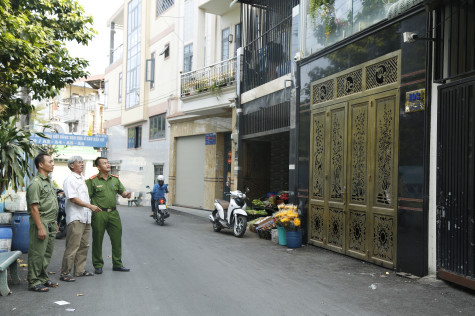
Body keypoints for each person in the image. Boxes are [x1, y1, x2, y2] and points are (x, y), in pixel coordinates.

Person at [86, 157, 132, 274]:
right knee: (97, 239)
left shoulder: (115, 180)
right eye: (104, 163)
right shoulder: (92, 181)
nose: (108, 165)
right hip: (99, 214)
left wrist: (127, 194)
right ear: (98, 167)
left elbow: (123, 192)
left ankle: (117, 263)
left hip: (113, 214)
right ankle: (98, 264)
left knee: (116, 239)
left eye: (108, 163)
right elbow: (87, 198)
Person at [60, 156, 101, 282]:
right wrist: (90, 206)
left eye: (83, 162)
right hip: (76, 217)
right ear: (72, 165)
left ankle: (79, 270)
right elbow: (73, 198)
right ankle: (65, 272)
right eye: (79, 163)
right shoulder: (70, 180)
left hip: (85, 217)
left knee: (84, 245)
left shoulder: (82, 179)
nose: (82, 164)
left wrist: (89, 209)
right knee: (73, 246)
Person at [26, 153, 58, 292]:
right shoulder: (35, 184)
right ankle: (33, 281)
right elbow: (34, 207)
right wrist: (40, 227)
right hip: (41, 222)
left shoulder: (48, 181)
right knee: (37, 253)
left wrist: (55, 222)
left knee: (46, 253)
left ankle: (42, 278)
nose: (53, 164)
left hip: (51, 222)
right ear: (40, 164)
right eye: (50, 161)